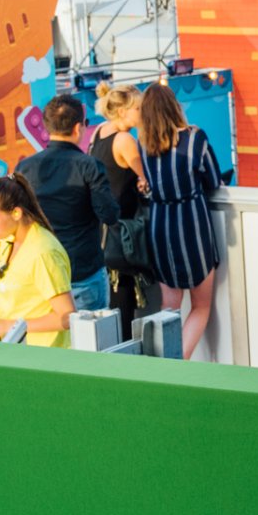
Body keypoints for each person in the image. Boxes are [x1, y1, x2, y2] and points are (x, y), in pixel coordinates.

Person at [138, 83, 223, 359]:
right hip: (192, 226)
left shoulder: (143, 145)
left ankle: (166, 362)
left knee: (169, 307)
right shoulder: (194, 137)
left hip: (160, 226)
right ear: (174, 107)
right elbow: (213, 180)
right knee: (201, 306)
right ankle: (179, 361)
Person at [15, 95, 120, 312]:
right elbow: (109, 214)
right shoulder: (89, 166)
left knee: (55, 333)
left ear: (47, 126)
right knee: (92, 333)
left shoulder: (24, 168)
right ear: (78, 128)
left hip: (44, 275)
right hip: (83, 269)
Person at [91, 83, 157, 342]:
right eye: (137, 109)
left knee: (112, 305)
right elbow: (147, 179)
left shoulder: (99, 132)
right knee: (124, 304)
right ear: (122, 112)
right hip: (123, 235)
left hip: (102, 231)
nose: (142, 113)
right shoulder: (125, 140)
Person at [0, 175, 76, 347]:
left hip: (44, 356)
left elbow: (67, 316)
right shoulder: (9, 240)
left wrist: (5, 326)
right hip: (19, 353)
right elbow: (25, 295)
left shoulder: (43, 252)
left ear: (16, 213)